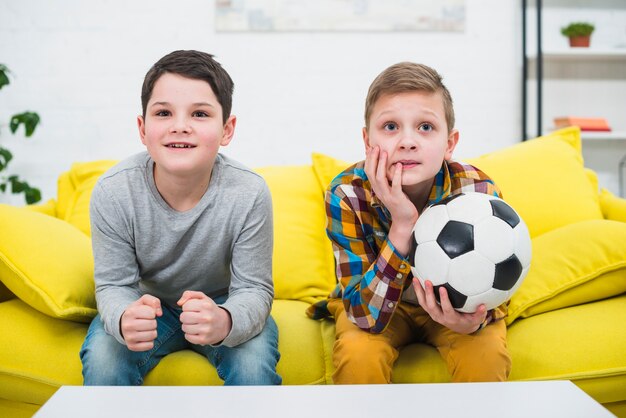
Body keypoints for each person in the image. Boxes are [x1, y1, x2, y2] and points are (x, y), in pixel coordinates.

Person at [80, 50, 281, 386]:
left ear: (227, 129)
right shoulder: (113, 191)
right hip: (146, 306)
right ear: (143, 129)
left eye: (200, 114)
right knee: (104, 357)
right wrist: (124, 317)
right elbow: (114, 285)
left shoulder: (250, 192)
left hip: (222, 304)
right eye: (163, 113)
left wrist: (226, 320)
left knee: (252, 363)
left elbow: (254, 288)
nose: (180, 127)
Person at [306, 62, 511, 384]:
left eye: (425, 127)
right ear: (367, 140)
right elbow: (363, 315)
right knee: (359, 355)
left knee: (486, 355)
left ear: (450, 143)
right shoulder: (347, 193)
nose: (407, 141)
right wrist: (403, 225)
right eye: (390, 127)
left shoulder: (476, 190)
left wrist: (474, 320)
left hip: (452, 307)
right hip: (376, 304)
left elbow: (499, 281)